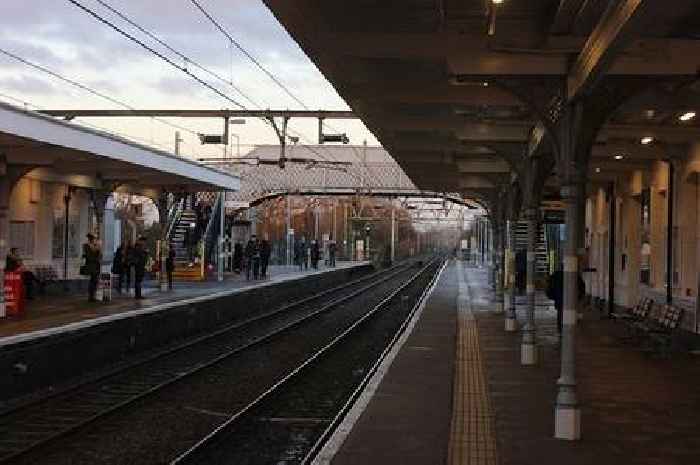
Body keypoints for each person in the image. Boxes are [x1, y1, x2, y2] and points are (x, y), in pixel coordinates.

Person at [546, 268, 585, 334]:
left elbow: (549, 286)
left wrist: (552, 296)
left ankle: (560, 331)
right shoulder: (574, 274)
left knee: (560, 314)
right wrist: (579, 297)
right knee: (570, 314)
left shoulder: (556, 275)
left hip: (559, 298)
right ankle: (568, 331)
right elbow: (582, 286)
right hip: (570, 299)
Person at [83, 234, 102, 302]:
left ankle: (93, 296)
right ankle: (91, 296)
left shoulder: (95, 246)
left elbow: (99, 256)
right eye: (94, 239)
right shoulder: (87, 246)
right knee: (93, 280)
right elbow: (89, 256)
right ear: (90, 239)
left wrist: (98, 250)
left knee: (95, 280)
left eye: (95, 239)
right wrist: (96, 256)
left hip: (96, 265)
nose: (94, 240)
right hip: (91, 265)